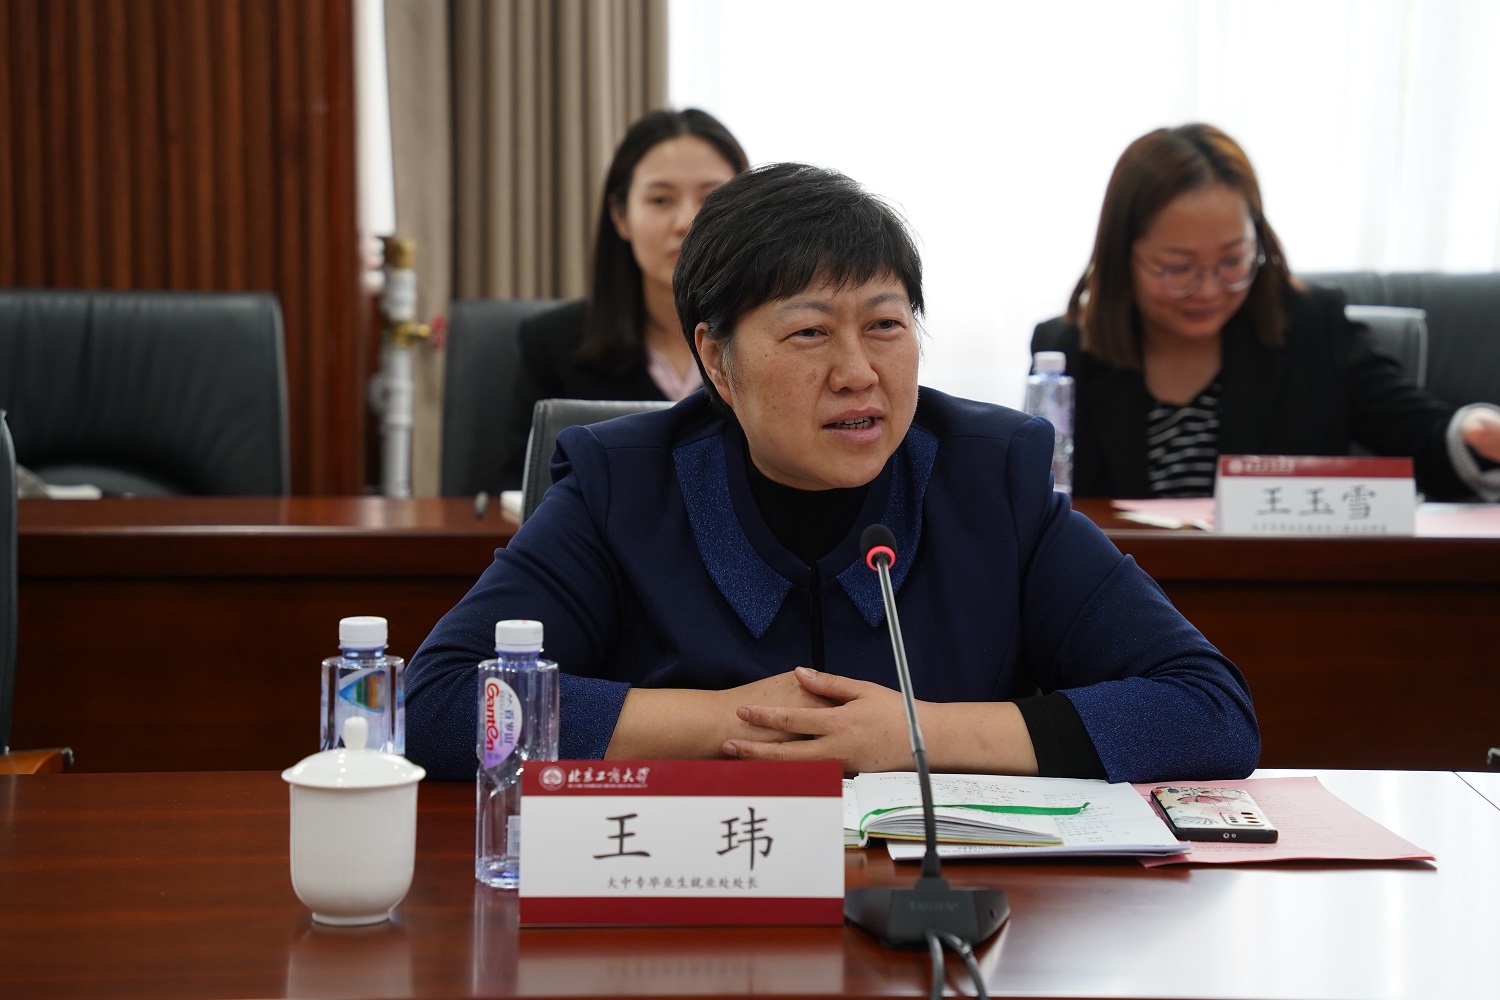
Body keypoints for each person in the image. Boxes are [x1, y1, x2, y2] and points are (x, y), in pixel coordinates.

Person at [407, 163, 1260, 785]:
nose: (859, 372)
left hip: (938, 912)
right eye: (810, 333)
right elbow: (437, 705)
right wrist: (735, 720)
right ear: (718, 359)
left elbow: (1209, 709)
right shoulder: (623, 487)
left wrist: (914, 735)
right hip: (696, 909)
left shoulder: (989, 476)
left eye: (885, 325)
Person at [1033, 123, 1500, 501]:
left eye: (1233, 260)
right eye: (1178, 268)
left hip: (1285, 585)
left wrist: (1472, 433)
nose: (1209, 289)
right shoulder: (1065, 352)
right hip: (1121, 588)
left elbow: (1421, 435)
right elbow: (1041, 500)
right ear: (1122, 256)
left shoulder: (1312, 326)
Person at [495, 108, 749, 489]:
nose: (686, 221)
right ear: (620, 216)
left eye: (711, 198)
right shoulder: (552, 344)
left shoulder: (778, 341)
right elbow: (524, 491)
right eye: (661, 200)